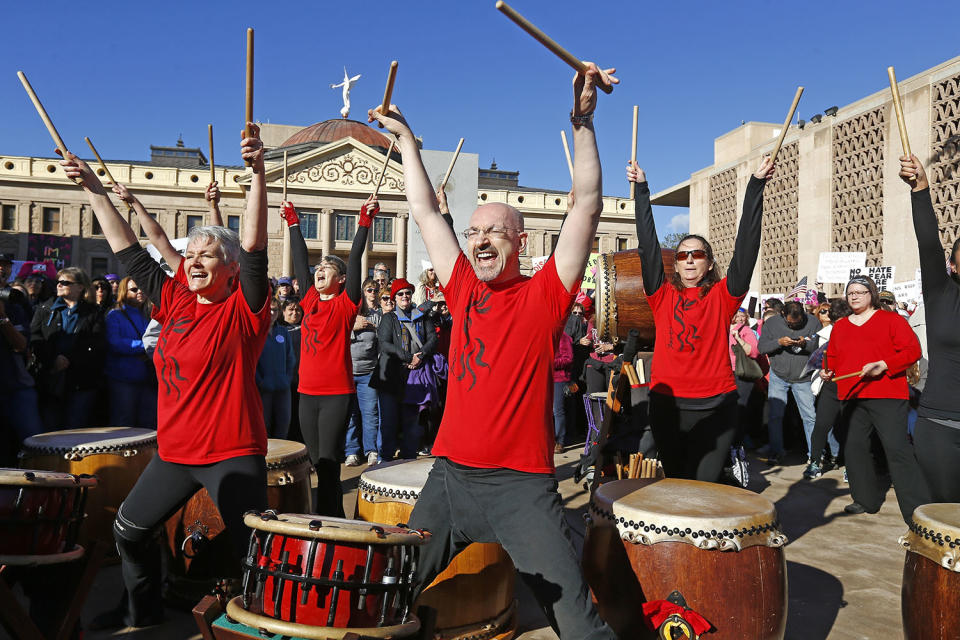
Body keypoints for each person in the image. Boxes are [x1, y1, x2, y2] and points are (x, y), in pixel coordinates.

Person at [368, 61, 618, 639]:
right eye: (475, 232)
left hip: (521, 488)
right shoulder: (461, 289)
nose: (480, 240)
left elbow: (585, 202)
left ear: (520, 242)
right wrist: (406, 140)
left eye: (495, 232)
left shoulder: (545, 295)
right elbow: (427, 211)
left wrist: (582, 120)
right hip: (450, 479)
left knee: (577, 624)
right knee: (383, 591)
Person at [60, 123, 271, 629]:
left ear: (231, 270)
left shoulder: (246, 309)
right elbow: (128, 247)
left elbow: (256, 246)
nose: (195, 260)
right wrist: (92, 188)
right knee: (129, 531)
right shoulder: (174, 298)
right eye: (191, 254)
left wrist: (258, 175)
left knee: (253, 559)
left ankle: (251, 628)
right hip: (174, 452)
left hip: (233, 452)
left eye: (209, 255)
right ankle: (143, 613)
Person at [629, 154, 774, 481]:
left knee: (705, 488)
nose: (690, 260)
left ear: (709, 263)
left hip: (717, 406)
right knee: (678, 485)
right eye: (683, 255)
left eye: (698, 255)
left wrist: (755, 188)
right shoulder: (661, 295)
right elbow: (648, 247)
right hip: (668, 406)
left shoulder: (723, 296)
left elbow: (747, 250)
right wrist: (641, 192)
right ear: (676, 264)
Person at [281, 194, 372, 516]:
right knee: (314, 461)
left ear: (342, 280)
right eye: (318, 268)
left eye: (328, 269)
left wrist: (363, 222)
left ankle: (333, 519)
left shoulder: (346, 303)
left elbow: (357, 256)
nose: (319, 271)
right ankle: (314, 515)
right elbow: (299, 254)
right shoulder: (308, 300)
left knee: (330, 463)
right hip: (307, 394)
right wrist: (293, 221)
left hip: (336, 394)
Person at [822, 275, 930, 522]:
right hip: (851, 395)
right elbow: (833, 357)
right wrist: (827, 370)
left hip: (887, 395)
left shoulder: (891, 320)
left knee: (897, 449)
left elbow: (912, 351)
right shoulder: (841, 326)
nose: (855, 296)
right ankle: (864, 499)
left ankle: (916, 510)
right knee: (856, 448)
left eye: (860, 292)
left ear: (872, 294)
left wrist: (884, 364)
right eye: (851, 293)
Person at [901, 154, 960, 502]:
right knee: (944, 524)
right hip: (940, 426)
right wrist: (921, 189)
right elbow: (928, 242)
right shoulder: (941, 294)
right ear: (951, 266)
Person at [30, 267, 105, 430]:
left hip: (81, 381)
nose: (59, 285)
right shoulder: (45, 308)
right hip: (51, 378)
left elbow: (97, 345)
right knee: (49, 429)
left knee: (74, 430)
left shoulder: (93, 312)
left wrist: (70, 360)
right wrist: (52, 360)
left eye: (65, 282)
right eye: (58, 282)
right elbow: (35, 338)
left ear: (80, 287)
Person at [757, 300, 829, 464]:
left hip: (803, 377)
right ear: (783, 315)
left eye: (798, 324)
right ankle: (776, 450)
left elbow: (820, 349)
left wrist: (805, 344)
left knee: (810, 417)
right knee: (775, 416)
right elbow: (761, 348)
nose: (795, 327)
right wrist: (778, 343)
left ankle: (815, 454)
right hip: (779, 376)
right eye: (791, 324)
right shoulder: (772, 324)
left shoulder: (813, 322)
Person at [375, 277, 438, 460]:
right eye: (400, 294)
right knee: (388, 422)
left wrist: (421, 355)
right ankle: (384, 458)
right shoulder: (388, 318)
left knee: (411, 422)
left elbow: (433, 339)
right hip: (391, 377)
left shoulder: (421, 316)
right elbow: (385, 343)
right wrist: (409, 357)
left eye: (408, 293)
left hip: (415, 378)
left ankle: (408, 457)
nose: (405, 296)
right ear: (394, 298)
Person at [804, 297, 852, 479]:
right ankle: (815, 462)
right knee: (822, 425)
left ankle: (851, 468)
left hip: (852, 385)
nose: (840, 324)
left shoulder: (857, 331)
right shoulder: (825, 333)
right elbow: (821, 357)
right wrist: (823, 370)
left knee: (851, 428)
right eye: (836, 320)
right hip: (831, 385)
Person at [104, 277, 156, 429]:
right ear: (123, 292)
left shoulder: (148, 314)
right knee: (124, 423)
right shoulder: (114, 315)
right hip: (122, 378)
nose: (140, 292)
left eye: (142, 288)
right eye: (134, 289)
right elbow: (115, 343)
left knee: (148, 423)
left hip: (146, 378)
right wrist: (146, 347)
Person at [345, 277, 382, 466]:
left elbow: (381, 341)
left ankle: (371, 450)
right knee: (351, 415)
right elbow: (336, 333)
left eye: (375, 291)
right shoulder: (348, 314)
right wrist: (353, 327)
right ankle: (352, 451)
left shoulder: (377, 315)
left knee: (370, 413)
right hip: (348, 373)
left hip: (369, 373)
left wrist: (371, 326)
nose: (372, 294)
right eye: (369, 291)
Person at [256, 299, 296, 439]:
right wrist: (260, 381)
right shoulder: (256, 332)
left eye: (275, 310)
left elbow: (290, 358)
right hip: (263, 390)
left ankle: (282, 460)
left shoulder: (283, 332)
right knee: (263, 426)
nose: (272, 313)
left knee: (283, 425)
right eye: (269, 310)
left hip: (283, 388)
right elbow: (251, 361)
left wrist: (287, 379)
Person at [553, 329, 574, 453]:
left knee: (557, 411)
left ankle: (559, 441)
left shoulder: (563, 336)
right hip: (543, 378)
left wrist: (550, 362)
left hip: (558, 378)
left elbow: (568, 358)